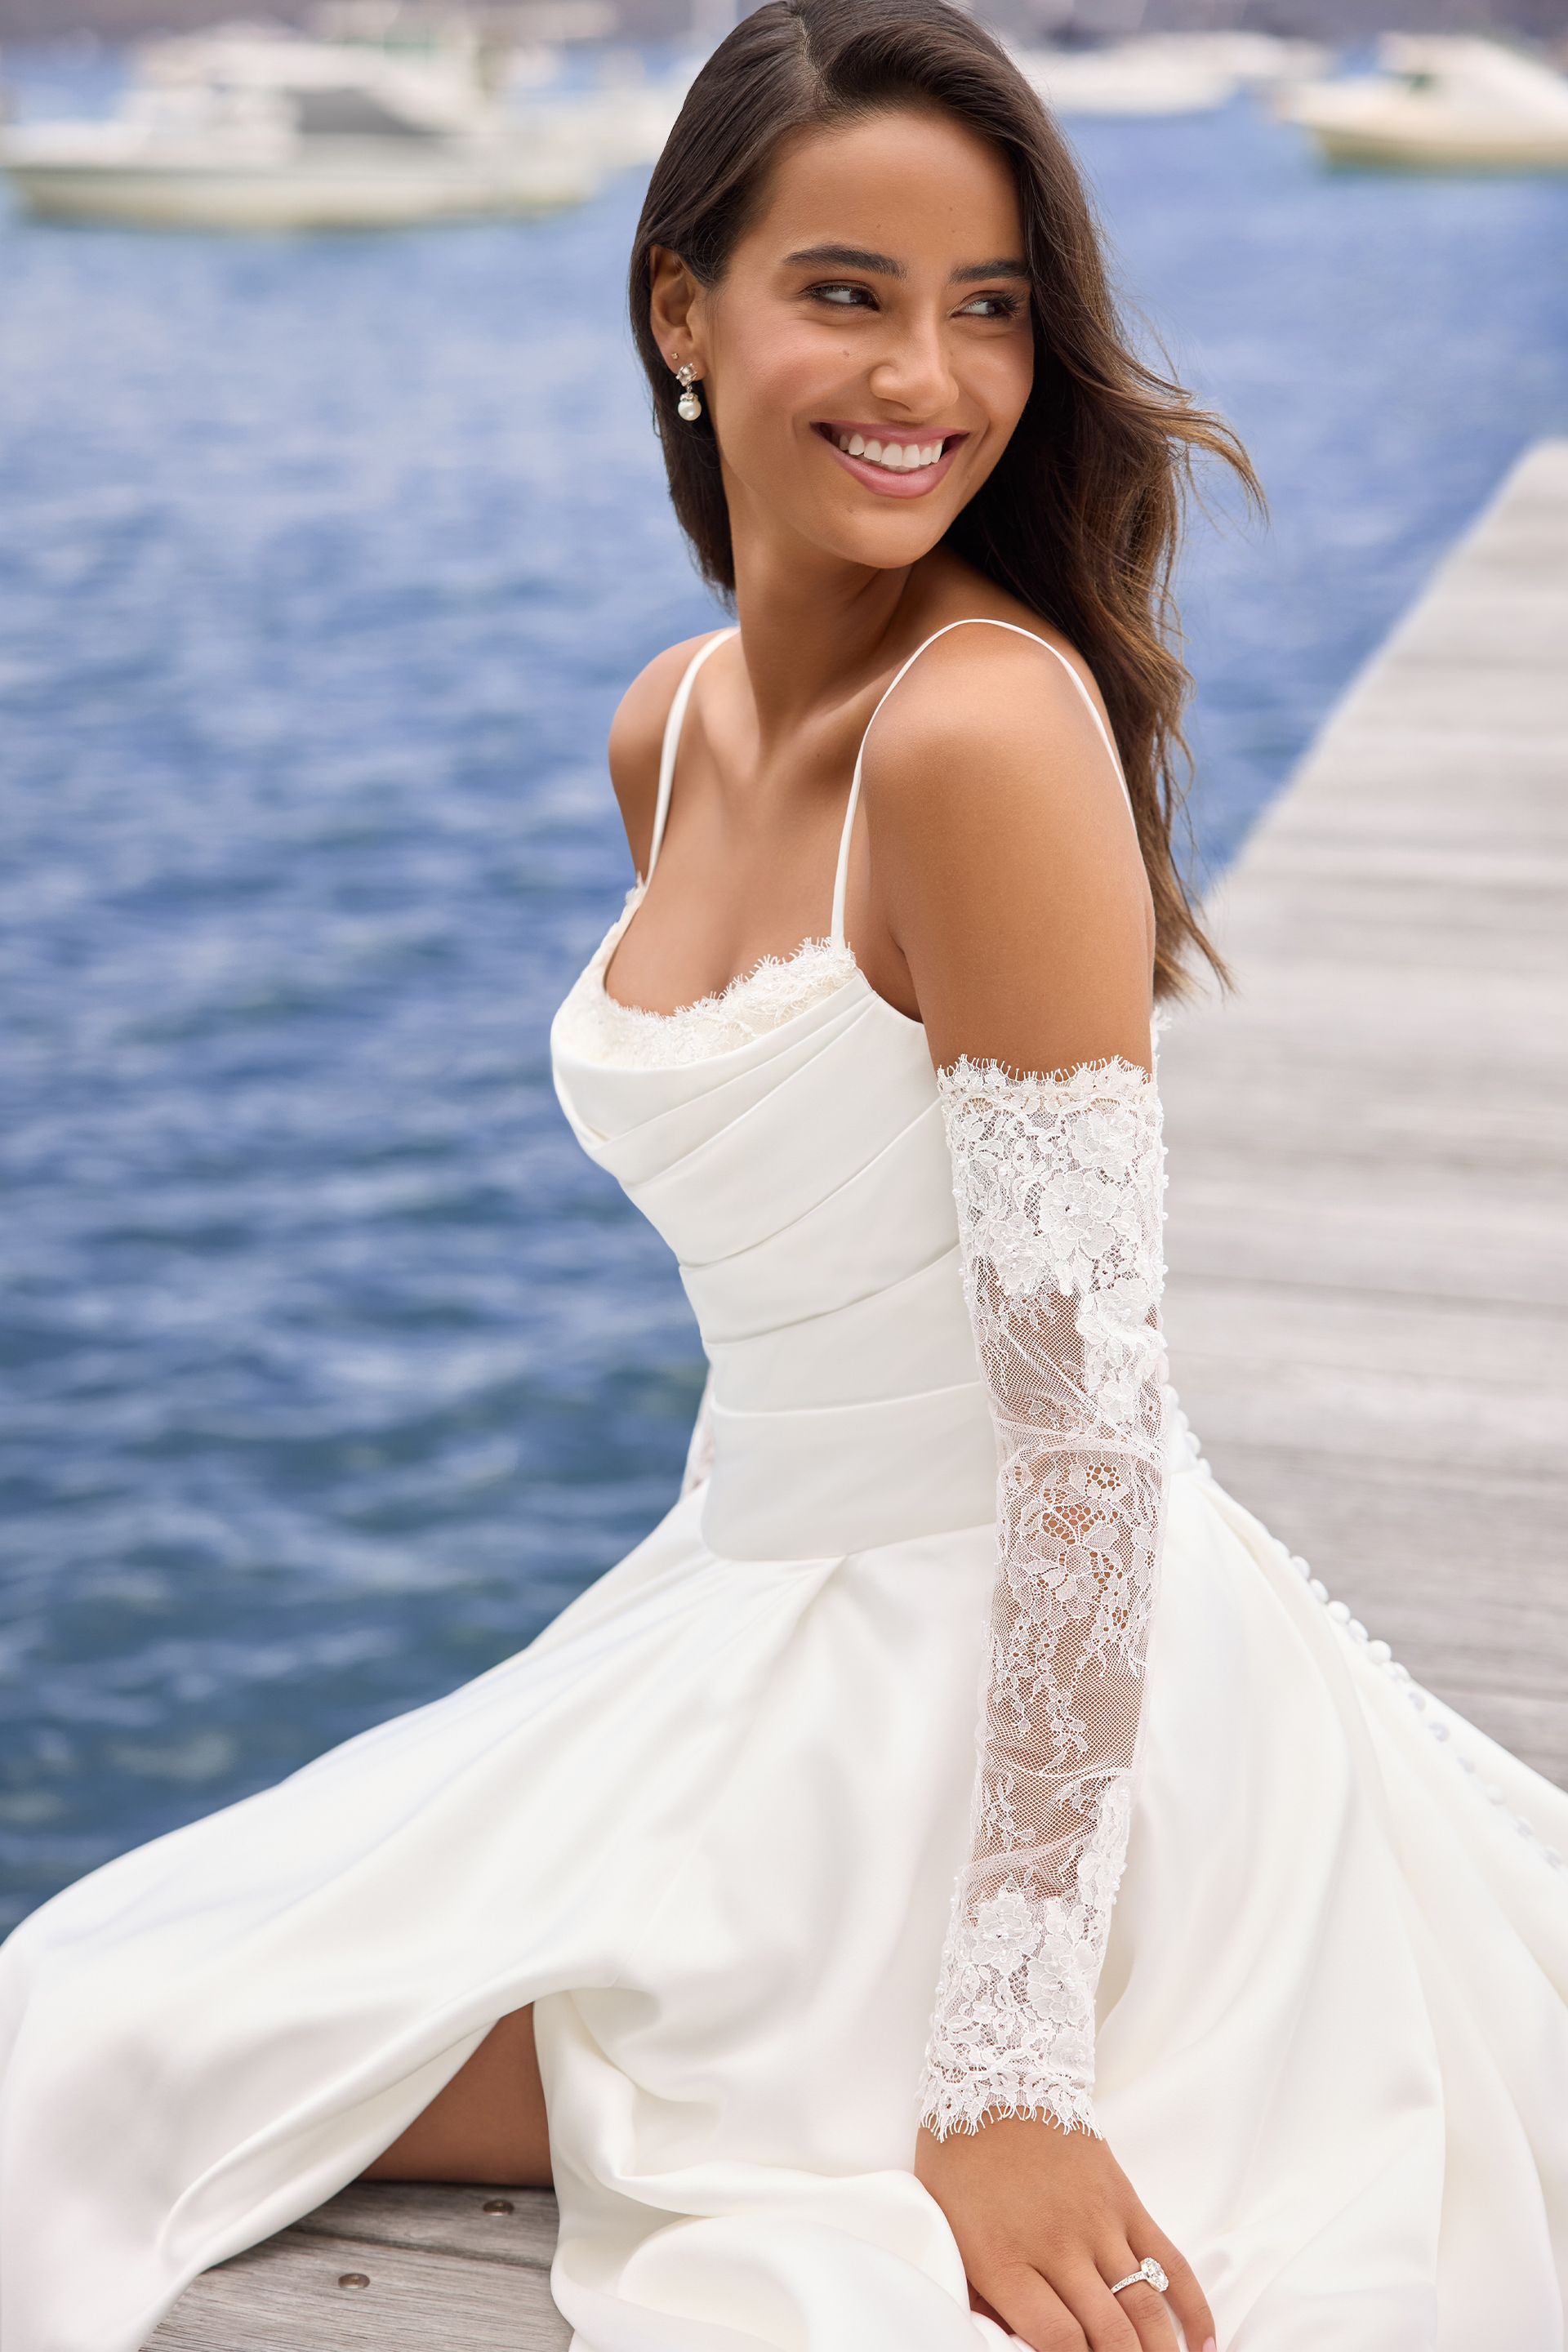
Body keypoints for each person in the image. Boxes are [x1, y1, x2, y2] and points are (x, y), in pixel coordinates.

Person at [3, 4, 1567, 2347]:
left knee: (137, 2059)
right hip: (735, 1623)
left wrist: (1012, 2054)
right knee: (99, 1996)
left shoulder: (986, 734)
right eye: (847, 289)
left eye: (991, 307)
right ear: (682, 311)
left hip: (1025, 1725)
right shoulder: (673, 724)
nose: (926, 374)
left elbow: (1086, 1437)